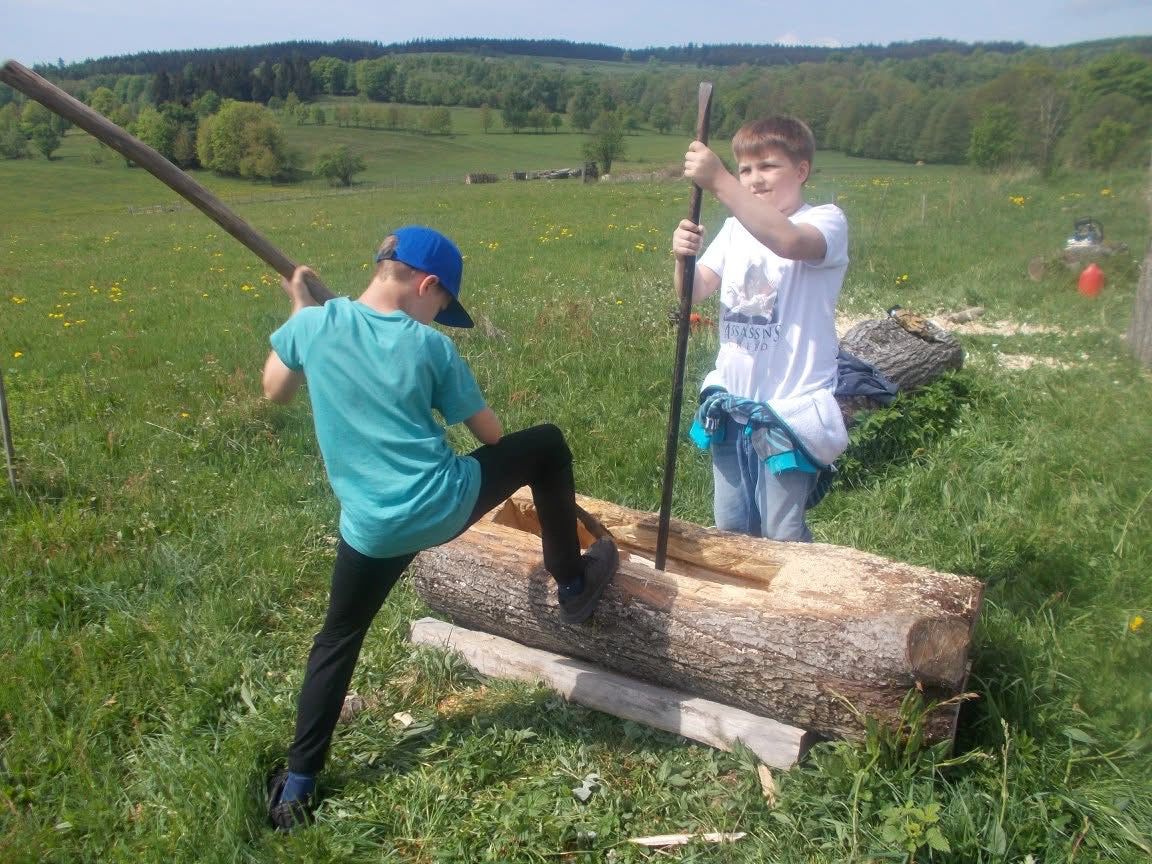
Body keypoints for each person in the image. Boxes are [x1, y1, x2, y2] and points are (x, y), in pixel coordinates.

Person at [261, 225, 619, 830]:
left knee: (337, 639)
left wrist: (299, 313)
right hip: (441, 506)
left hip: (371, 529)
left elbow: (275, 390)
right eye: (441, 307)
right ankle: (573, 582)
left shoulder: (312, 329)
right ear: (426, 285)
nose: (436, 318)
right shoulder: (429, 349)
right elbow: (493, 437)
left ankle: (297, 787)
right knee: (546, 445)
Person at [671, 116, 849, 542]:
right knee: (730, 525)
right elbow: (693, 292)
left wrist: (720, 181)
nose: (753, 179)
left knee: (780, 532)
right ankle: (741, 606)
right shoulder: (735, 229)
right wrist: (682, 258)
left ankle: (795, 606)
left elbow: (787, 242)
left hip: (790, 411)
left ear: (801, 171)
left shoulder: (826, 221)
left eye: (767, 166)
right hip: (732, 404)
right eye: (745, 169)